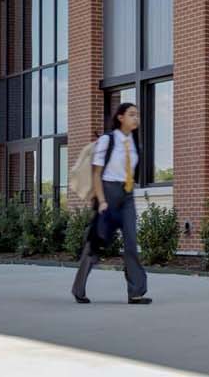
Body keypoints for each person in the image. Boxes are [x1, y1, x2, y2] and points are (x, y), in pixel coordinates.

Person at [70, 102, 151, 305]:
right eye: (132, 114)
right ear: (120, 117)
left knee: (131, 242)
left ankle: (136, 292)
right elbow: (97, 174)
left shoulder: (135, 143)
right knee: (96, 244)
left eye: (137, 115)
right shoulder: (107, 140)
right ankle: (78, 288)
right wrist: (102, 201)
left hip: (127, 195)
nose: (136, 118)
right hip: (107, 192)